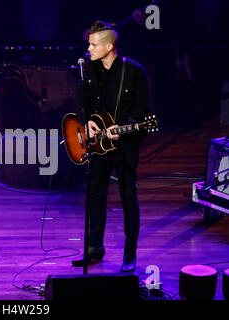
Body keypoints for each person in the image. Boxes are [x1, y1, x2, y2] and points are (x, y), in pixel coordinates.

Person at [72, 21, 150, 272]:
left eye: (93, 44)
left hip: (125, 146)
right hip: (98, 146)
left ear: (109, 46)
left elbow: (143, 112)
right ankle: (95, 247)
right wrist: (87, 124)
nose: (89, 48)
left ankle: (130, 253)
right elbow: (82, 103)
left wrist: (123, 128)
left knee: (128, 196)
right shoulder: (89, 71)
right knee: (95, 195)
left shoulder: (135, 72)